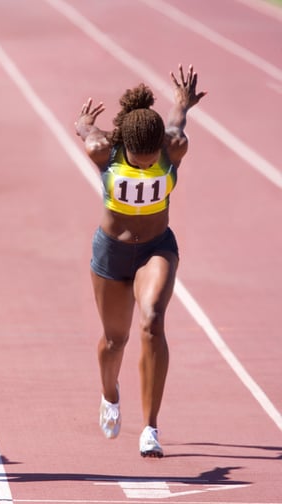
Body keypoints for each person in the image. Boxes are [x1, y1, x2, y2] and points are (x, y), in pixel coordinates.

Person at [75, 65, 206, 457]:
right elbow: (85, 128)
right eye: (140, 159)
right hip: (112, 253)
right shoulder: (104, 151)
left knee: (152, 320)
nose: (148, 164)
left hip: (155, 249)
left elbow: (176, 122)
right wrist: (83, 122)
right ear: (124, 147)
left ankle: (150, 427)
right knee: (115, 341)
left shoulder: (173, 147)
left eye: (153, 159)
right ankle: (110, 394)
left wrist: (182, 104)